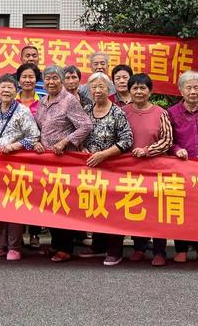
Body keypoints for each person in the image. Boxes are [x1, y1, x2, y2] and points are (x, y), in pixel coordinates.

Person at [0, 74, 40, 261]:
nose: (5, 91)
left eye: (10, 88)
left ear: (16, 90)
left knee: (14, 206)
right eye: (2, 87)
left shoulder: (23, 111)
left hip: (16, 164)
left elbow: (34, 137)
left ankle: (15, 246)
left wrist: (14, 146)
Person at [34, 65, 93, 262]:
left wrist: (66, 141)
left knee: (62, 203)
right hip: (46, 161)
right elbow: (39, 127)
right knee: (49, 203)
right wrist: (36, 142)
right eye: (47, 78)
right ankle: (55, 243)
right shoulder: (42, 101)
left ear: (61, 80)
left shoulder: (69, 100)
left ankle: (66, 248)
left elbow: (86, 125)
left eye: (54, 78)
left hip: (64, 161)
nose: (51, 82)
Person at [79, 72, 133, 266]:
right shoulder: (86, 109)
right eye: (93, 87)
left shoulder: (117, 112)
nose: (97, 90)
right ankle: (98, 246)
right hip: (90, 169)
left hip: (112, 167)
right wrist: (82, 148)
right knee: (96, 207)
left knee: (112, 209)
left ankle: (115, 250)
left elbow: (127, 140)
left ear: (109, 89)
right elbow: (80, 135)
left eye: (101, 86)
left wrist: (104, 155)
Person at [123, 73, 173, 267]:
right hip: (129, 170)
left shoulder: (161, 112)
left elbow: (168, 140)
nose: (139, 91)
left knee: (156, 210)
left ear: (150, 91)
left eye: (143, 88)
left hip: (155, 169)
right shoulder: (123, 111)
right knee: (135, 207)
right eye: (134, 88)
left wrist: (147, 151)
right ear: (130, 91)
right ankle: (139, 247)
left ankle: (160, 251)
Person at [167, 70, 198, 264]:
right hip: (180, 167)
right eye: (189, 87)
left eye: (197, 87)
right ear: (181, 90)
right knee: (181, 208)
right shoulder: (171, 113)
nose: (193, 91)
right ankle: (181, 249)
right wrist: (176, 149)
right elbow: (167, 140)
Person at [15, 62, 42, 246]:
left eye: (31, 76)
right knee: (15, 194)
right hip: (13, 153)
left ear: (36, 80)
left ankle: (34, 234)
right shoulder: (10, 99)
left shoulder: (44, 101)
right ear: (18, 80)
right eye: (24, 76)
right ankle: (15, 237)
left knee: (34, 195)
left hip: (35, 154)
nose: (27, 80)